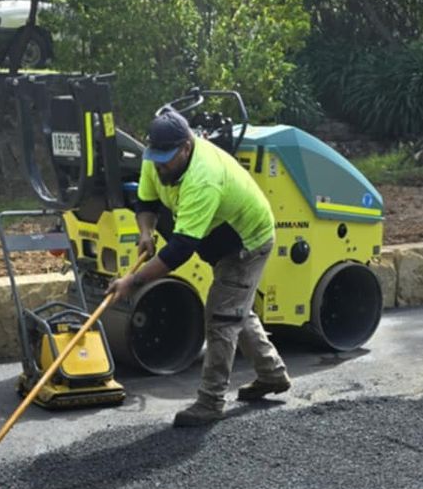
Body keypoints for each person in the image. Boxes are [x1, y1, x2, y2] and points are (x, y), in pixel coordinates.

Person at [106, 107, 290, 427]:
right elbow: (146, 202)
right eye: (156, 155)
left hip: (246, 243)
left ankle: (210, 401)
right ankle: (272, 374)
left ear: (186, 147)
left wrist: (132, 281)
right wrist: (146, 233)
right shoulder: (157, 162)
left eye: (167, 156)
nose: (160, 163)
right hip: (217, 239)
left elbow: (180, 250)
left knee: (221, 315)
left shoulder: (202, 177)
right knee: (236, 311)